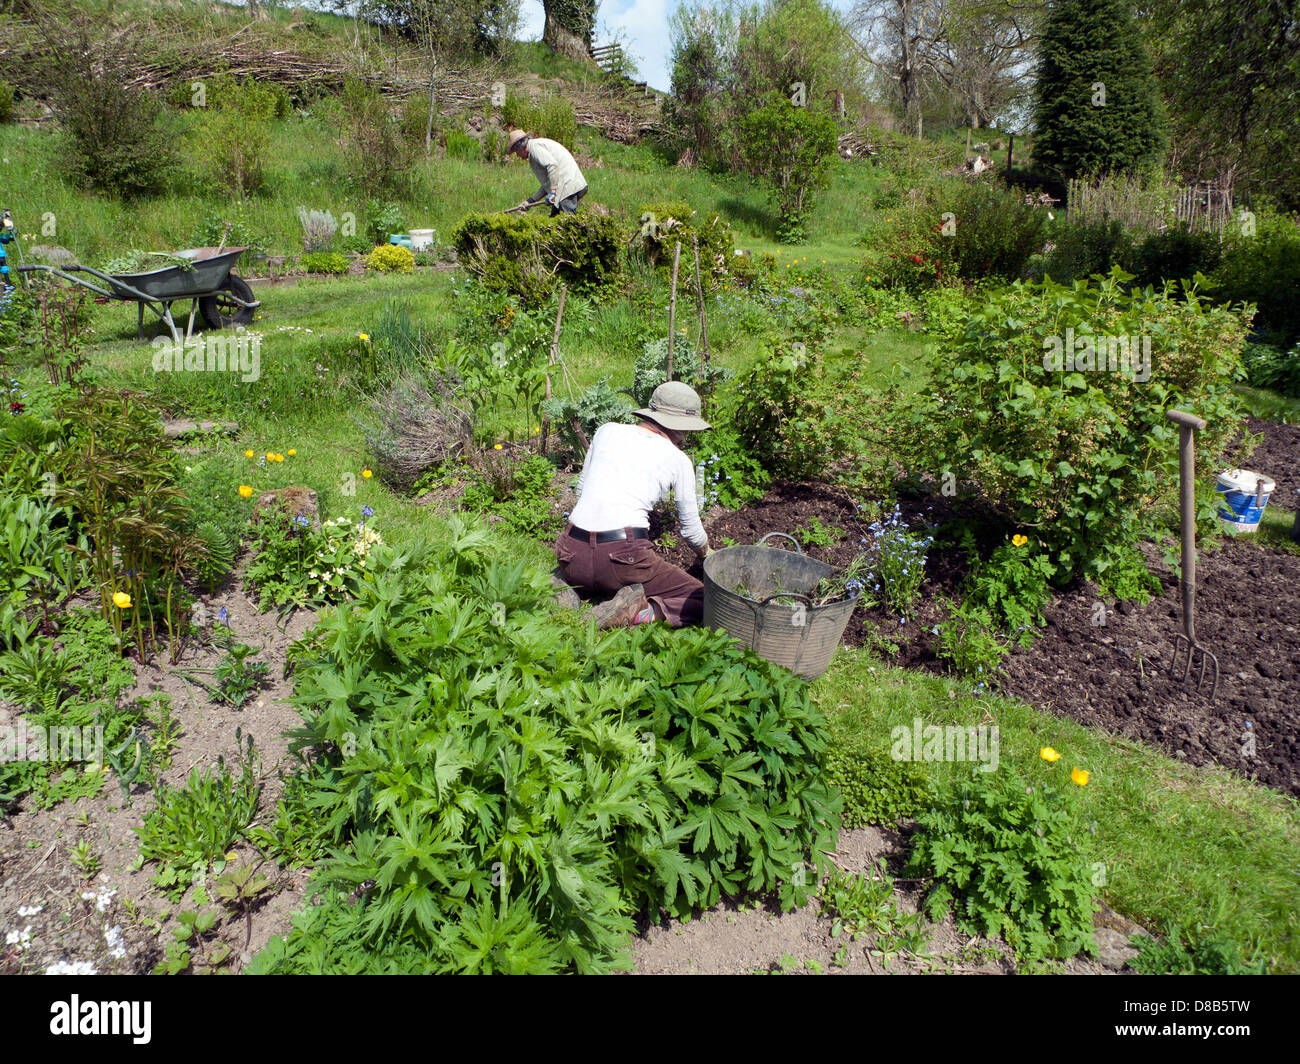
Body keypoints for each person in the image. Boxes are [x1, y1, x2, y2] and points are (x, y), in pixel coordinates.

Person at [554, 381, 714, 628]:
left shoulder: (606, 431)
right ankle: (640, 612)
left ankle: (567, 588)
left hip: (571, 553)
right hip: (623, 559)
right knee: (706, 599)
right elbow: (691, 531)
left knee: (586, 569)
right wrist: (707, 554)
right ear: (681, 428)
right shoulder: (679, 460)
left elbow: (581, 489)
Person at [504, 128, 588, 217]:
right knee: (554, 222)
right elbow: (548, 182)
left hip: (566, 186)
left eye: (516, 152)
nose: (517, 155)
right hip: (565, 187)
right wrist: (530, 201)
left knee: (568, 223)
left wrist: (553, 192)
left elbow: (552, 165)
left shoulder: (535, 148)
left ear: (520, 146)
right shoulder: (534, 148)